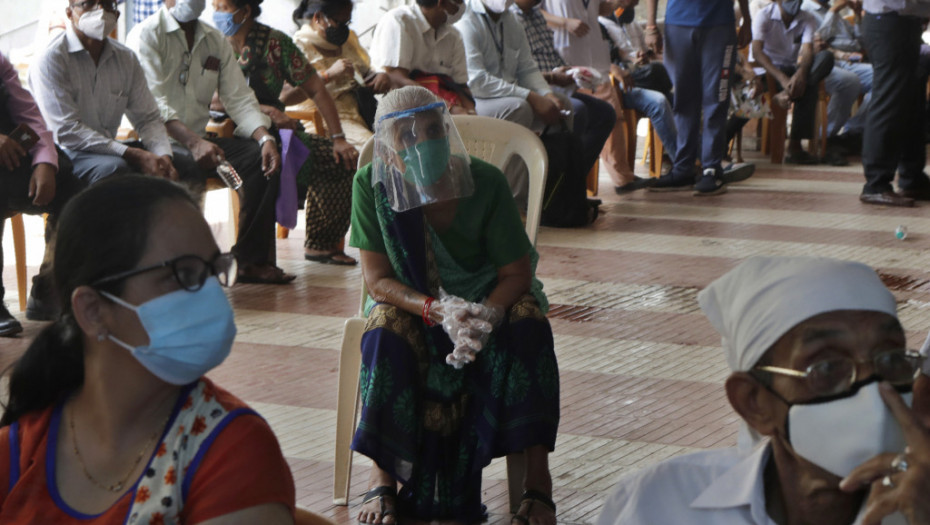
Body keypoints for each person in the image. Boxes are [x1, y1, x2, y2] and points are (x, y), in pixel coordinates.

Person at [0, 175, 295, 522]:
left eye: (212, 271)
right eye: (183, 274)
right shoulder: (18, 452)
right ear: (93, 311)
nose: (210, 294)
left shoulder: (232, 450)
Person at [349, 86, 559, 525]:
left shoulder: (485, 182)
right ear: (388, 150)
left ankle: (538, 484)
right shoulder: (372, 186)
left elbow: (516, 275)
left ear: (446, 129)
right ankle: (382, 479)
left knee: (528, 324)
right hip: (417, 307)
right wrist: (435, 310)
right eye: (406, 137)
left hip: (486, 301)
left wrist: (487, 315)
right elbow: (378, 281)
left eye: (430, 129)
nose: (422, 142)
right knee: (383, 328)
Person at [597, 255, 930, 524]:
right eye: (827, 368)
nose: (874, 392)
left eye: (891, 358)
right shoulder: (659, 504)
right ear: (754, 403)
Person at [128, 0, 294, 284]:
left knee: (260, 158)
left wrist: (264, 137)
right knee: (187, 169)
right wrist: (193, 144)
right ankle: (181, 268)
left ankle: (248, 261)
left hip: (199, 140)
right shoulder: (146, 35)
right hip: (156, 143)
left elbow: (239, 98)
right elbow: (152, 105)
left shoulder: (213, 38)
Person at [212, 0, 360, 265]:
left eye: (222, 7)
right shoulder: (210, 43)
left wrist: (338, 139)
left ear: (244, 10)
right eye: (214, 6)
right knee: (264, 164)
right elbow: (212, 100)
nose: (216, 14)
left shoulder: (275, 43)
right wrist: (267, 109)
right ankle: (256, 259)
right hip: (227, 134)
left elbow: (316, 88)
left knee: (338, 158)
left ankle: (320, 244)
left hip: (277, 133)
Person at [29, 0, 193, 186]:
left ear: (116, 15)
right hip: (66, 154)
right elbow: (67, 132)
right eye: (88, 3)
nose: (99, 11)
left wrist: (163, 156)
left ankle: (169, 215)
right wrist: (134, 154)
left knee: (185, 162)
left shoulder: (125, 59)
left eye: (107, 4)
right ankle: (78, 214)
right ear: (69, 13)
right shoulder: (51, 59)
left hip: (109, 150)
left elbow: (147, 118)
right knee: (114, 169)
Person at [0, 51, 83, 332]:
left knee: (72, 184)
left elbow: (30, 117)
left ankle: (48, 287)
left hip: (9, 159)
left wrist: (45, 163)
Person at [644, 0, 752, 195]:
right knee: (684, 101)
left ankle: (711, 168)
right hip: (678, 24)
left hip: (719, 26)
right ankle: (683, 169)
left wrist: (747, 19)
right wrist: (651, 25)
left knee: (716, 99)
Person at [510, 0, 618, 187]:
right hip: (531, 90)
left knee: (605, 113)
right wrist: (552, 79)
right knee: (577, 110)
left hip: (552, 85)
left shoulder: (536, 15)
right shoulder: (510, 18)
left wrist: (569, 71)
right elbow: (518, 73)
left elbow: (552, 56)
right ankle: (554, 185)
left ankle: (569, 183)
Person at [857, 0, 930, 207]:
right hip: (888, 23)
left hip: (904, 24)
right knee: (889, 103)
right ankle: (876, 183)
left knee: (911, 103)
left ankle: (912, 178)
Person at [290, 0, 386, 149]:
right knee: (376, 150)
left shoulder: (347, 42)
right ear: (318, 18)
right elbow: (286, 96)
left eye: (347, 23)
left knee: (398, 138)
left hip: (361, 112)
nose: (344, 29)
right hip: (326, 120)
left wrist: (379, 77)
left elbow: (365, 72)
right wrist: (329, 74)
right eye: (339, 22)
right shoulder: (300, 48)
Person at [370, 0, 477, 114]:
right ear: (441, 3)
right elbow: (397, 80)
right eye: (459, 2)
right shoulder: (399, 21)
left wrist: (471, 113)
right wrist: (448, 108)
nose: (462, 7)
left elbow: (461, 85)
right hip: (406, 109)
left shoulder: (454, 36)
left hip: (444, 107)